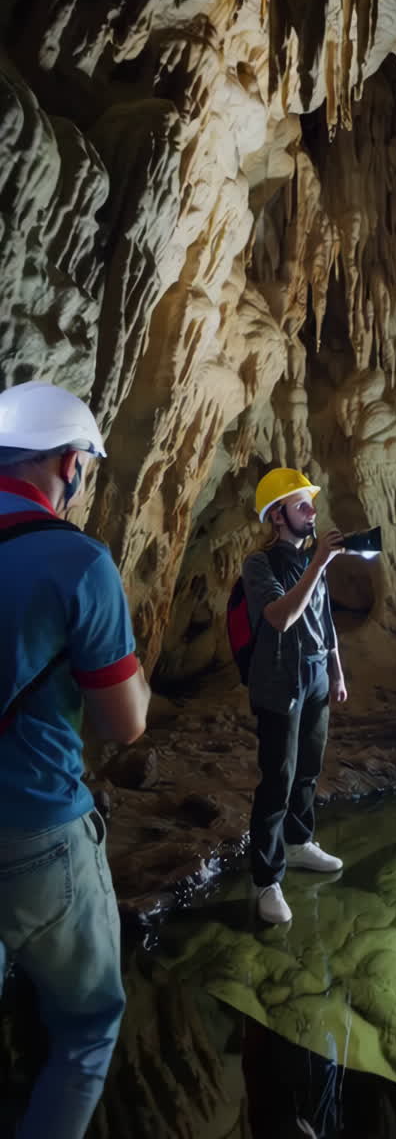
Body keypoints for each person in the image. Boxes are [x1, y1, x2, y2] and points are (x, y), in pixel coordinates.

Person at [0, 380, 151, 1139]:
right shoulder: (76, 559)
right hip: (36, 828)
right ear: (70, 464)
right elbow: (124, 724)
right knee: (89, 1025)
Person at [243, 468, 348, 926]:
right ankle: (265, 878)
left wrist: (337, 672)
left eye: (311, 503)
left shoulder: (310, 560)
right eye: (301, 505)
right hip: (279, 681)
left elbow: (325, 621)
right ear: (277, 516)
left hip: (317, 674)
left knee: (308, 768)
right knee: (278, 779)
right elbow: (281, 618)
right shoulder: (259, 564)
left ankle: (299, 841)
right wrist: (318, 565)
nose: (312, 511)